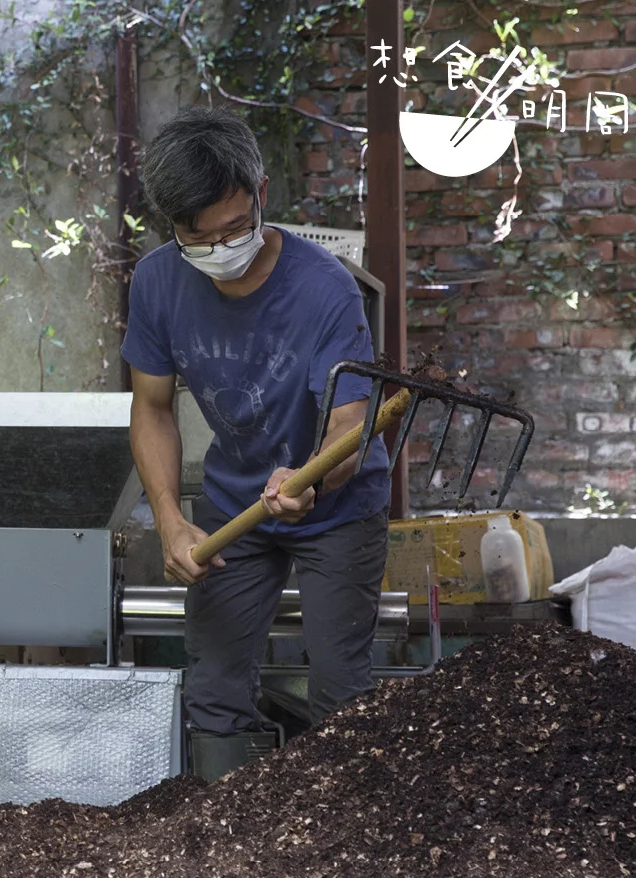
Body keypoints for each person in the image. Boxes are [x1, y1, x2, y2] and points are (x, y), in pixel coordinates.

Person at [122, 107, 392, 782]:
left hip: (336, 506)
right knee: (213, 686)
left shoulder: (325, 289)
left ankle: (340, 831)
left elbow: (350, 431)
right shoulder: (157, 282)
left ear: (262, 193)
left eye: (236, 227)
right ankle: (226, 844)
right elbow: (151, 408)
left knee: (339, 690)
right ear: (171, 225)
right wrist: (170, 520)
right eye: (199, 236)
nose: (221, 246)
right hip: (234, 503)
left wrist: (311, 479)